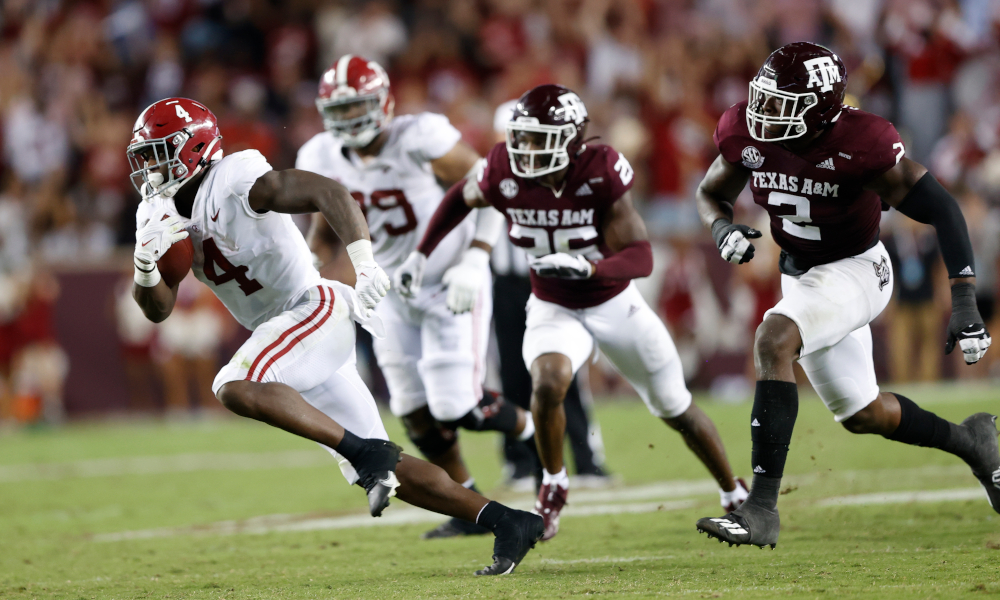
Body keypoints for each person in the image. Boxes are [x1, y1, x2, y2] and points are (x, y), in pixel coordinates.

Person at [126, 97, 542, 575]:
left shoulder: (235, 178)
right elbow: (158, 310)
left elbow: (331, 192)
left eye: (159, 153)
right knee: (392, 473)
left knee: (234, 385)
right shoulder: (158, 214)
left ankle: (365, 453)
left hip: (312, 308)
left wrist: (363, 264)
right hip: (288, 335)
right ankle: (507, 520)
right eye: (145, 157)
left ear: (194, 146)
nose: (151, 170)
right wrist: (144, 267)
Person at [398, 84, 748, 541]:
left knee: (674, 406)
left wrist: (591, 266)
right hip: (552, 302)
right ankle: (554, 484)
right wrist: (422, 253)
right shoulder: (503, 167)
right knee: (548, 381)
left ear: (572, 139)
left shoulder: (599, 170)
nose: (525, 149)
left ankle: (732, 490)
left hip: (613, 301)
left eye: (538, 138)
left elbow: (641, 256)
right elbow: (460, 199)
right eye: (521, 137)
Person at [694, 42, 997, 549]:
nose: (764, 114)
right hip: (803, 277)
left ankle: (762, 508)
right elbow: (710, 194)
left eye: (781, 104)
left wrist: (964, 299)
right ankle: (972, 442)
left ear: (822, 109)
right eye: (763, 99)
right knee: (862, 414)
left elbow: (943, 207)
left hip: (857, 269)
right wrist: (721, 228)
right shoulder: (743, 130)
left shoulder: (864, 142)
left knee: (773, 340)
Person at [297, 55, 535, 539]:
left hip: (449, 280)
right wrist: (308, 268)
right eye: (337, 111)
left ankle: (528, 429)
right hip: (389, 291)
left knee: (456, 407)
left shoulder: (420, 136)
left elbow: (490, 188)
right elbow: (325, 228)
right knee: (414, 411)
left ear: (382, 102)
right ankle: (465, 503)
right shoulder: (319, 156)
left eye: (355, 107)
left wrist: (476, 257)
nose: (346, 120)